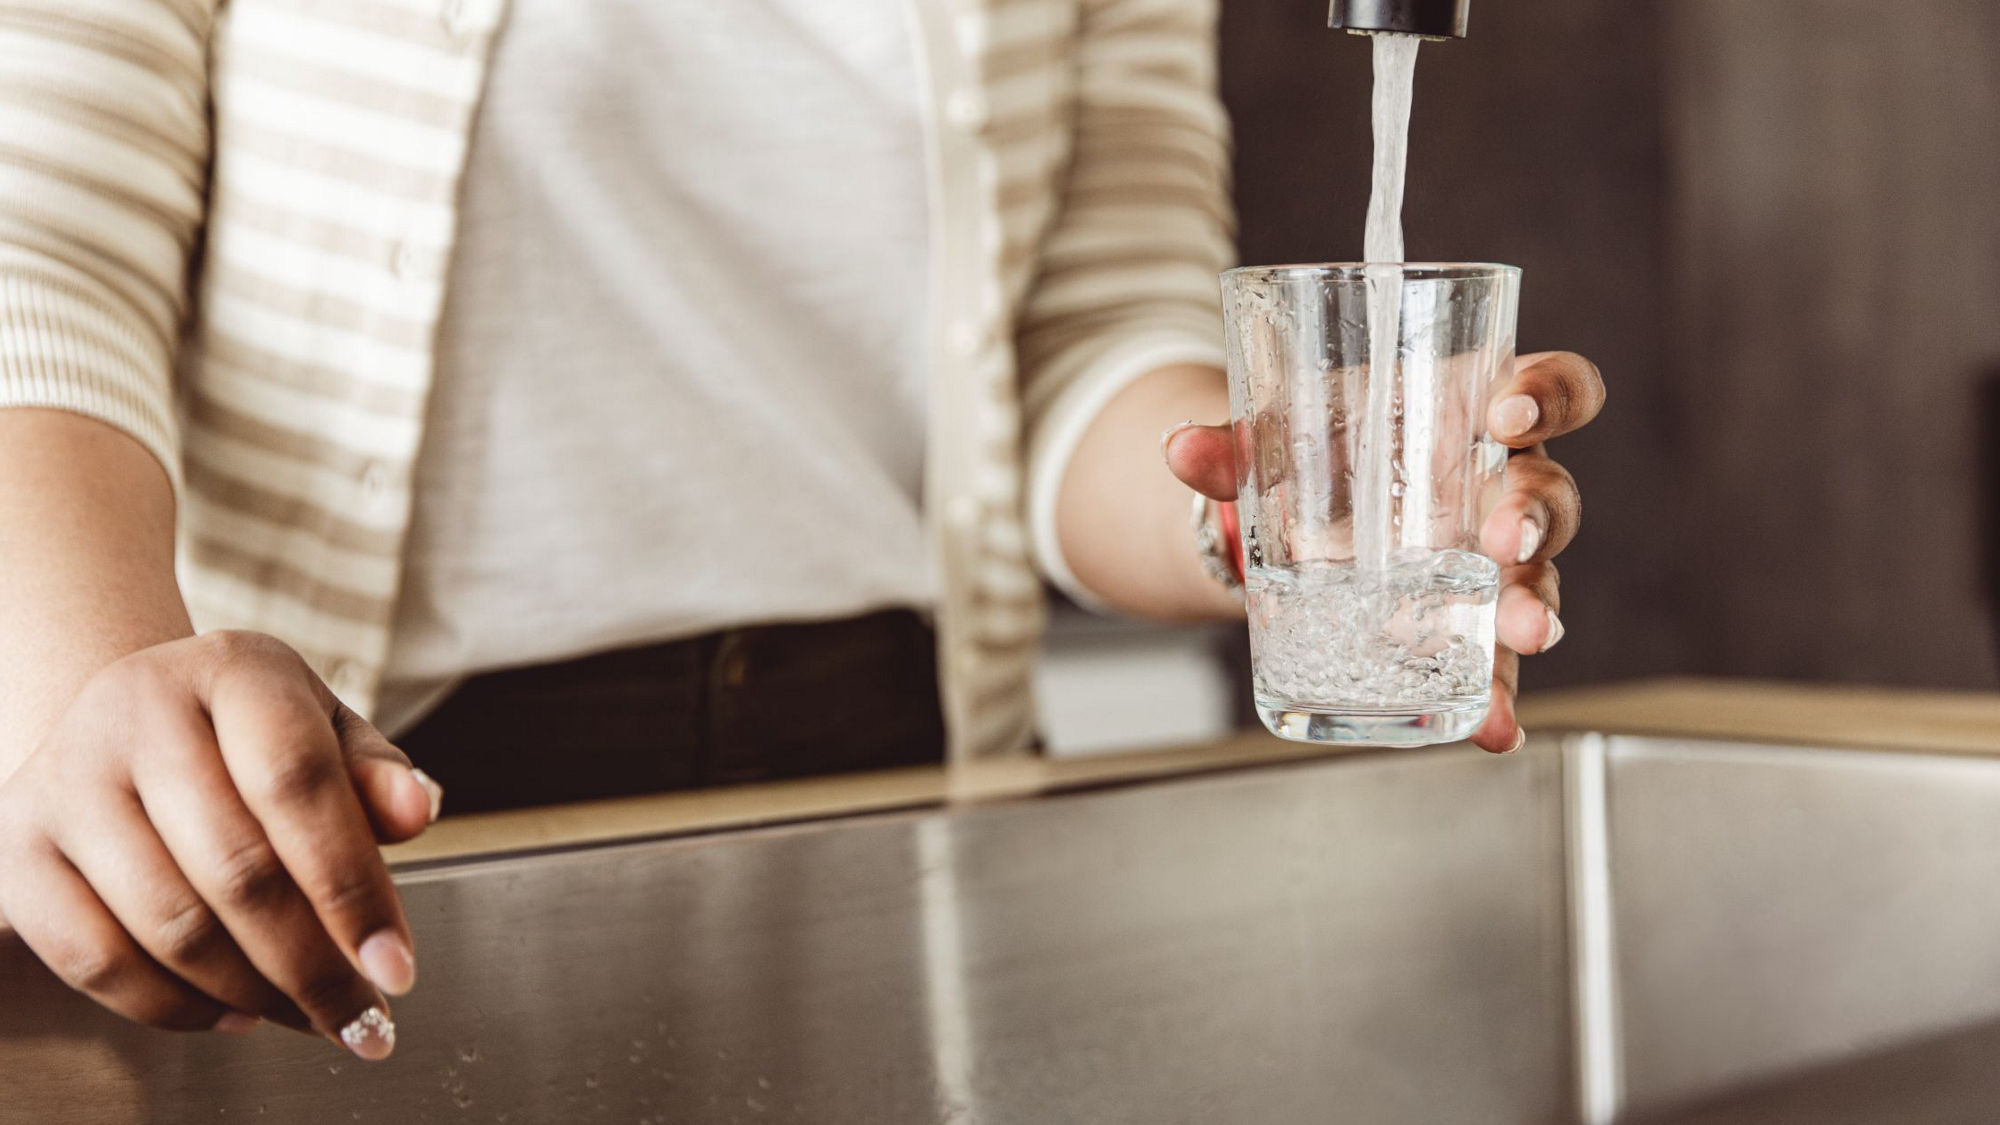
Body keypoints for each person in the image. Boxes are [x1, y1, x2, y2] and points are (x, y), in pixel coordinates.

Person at [0, 0, 1603, 1061]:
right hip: (361, 815)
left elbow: (1082, 331)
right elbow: (38, 237)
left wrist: (1270, 500)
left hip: (890, 790)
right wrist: (99, 689)